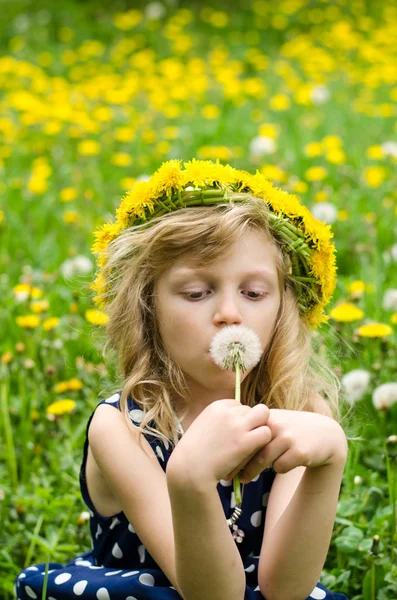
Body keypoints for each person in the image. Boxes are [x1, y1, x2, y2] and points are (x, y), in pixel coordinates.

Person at [15, 159, 350, 600]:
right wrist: (189, 477)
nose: (230, 312)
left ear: (282, 308)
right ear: (148, 307)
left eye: (253, 293)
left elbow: (286, 590)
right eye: (196, 292)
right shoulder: (122, 427)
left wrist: (329, 462)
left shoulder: (300, 413)